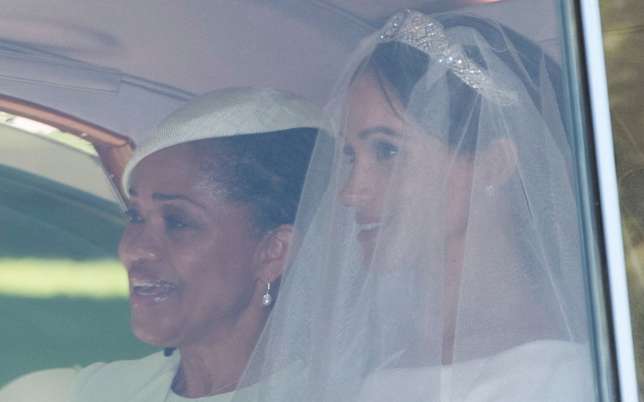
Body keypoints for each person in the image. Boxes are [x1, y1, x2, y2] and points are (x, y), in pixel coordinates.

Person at [233, 10, 595, 402]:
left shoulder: (558, 374)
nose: (349, 192)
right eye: (351, 156)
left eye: (387, 150)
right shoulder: (374, 353)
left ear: (494, 164)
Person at [0, 87, 330, 402]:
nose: (135, 249)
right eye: (136, 216)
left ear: (274, 251)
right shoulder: (74, 394)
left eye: (178, 222)